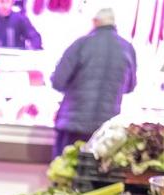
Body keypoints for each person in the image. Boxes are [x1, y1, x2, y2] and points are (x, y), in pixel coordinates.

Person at [50, 7, 137, 159]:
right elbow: (130, 87)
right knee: (91, 177)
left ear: (95, 22)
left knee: (63, 171)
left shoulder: (82, 44)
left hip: (73, 124)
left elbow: (58, 81)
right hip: (104, 131)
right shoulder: (127, 48)